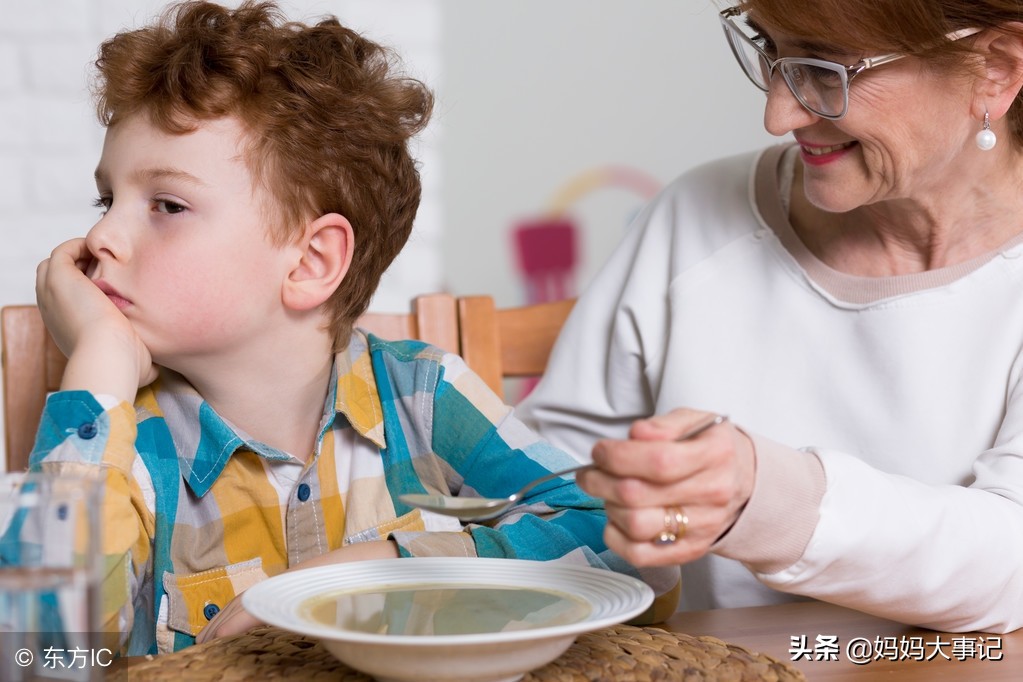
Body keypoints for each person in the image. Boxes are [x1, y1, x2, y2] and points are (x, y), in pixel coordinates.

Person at [28, 0, 680, 656]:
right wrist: (100, 366)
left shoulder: (421, 397)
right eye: (107, 200)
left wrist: (392, 566)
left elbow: (632, 547)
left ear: (312, 262)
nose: (101, 235)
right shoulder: (125, 439)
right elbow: (43, 650)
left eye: (167, 205)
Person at [519, 0, 1023, 634]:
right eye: (772, 51)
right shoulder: (696, 214)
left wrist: (764, 496)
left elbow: (1013, 558)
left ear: (996, 70)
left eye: (826, 68)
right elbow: (548, 474)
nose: (778, 114)